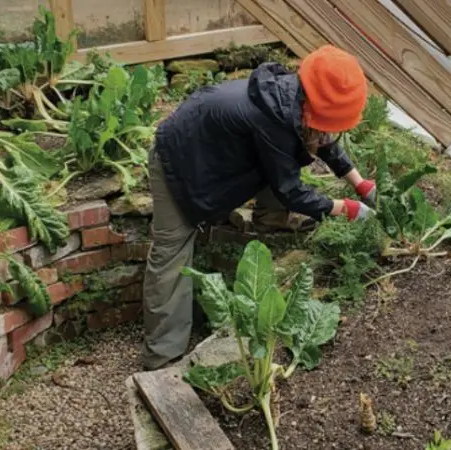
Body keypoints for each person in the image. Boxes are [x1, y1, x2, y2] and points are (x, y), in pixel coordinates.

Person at [141, 45, 377, 370]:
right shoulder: (270, 121)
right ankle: (163, 357)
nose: (327, 132)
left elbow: (323, 140)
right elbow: (290, 189)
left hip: (215, 153)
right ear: (313, 105)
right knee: (172, 254)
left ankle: (273, 219)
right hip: (178, 161)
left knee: (282, 165)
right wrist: (347, 208)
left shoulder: (290, 98)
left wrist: (360, 182)